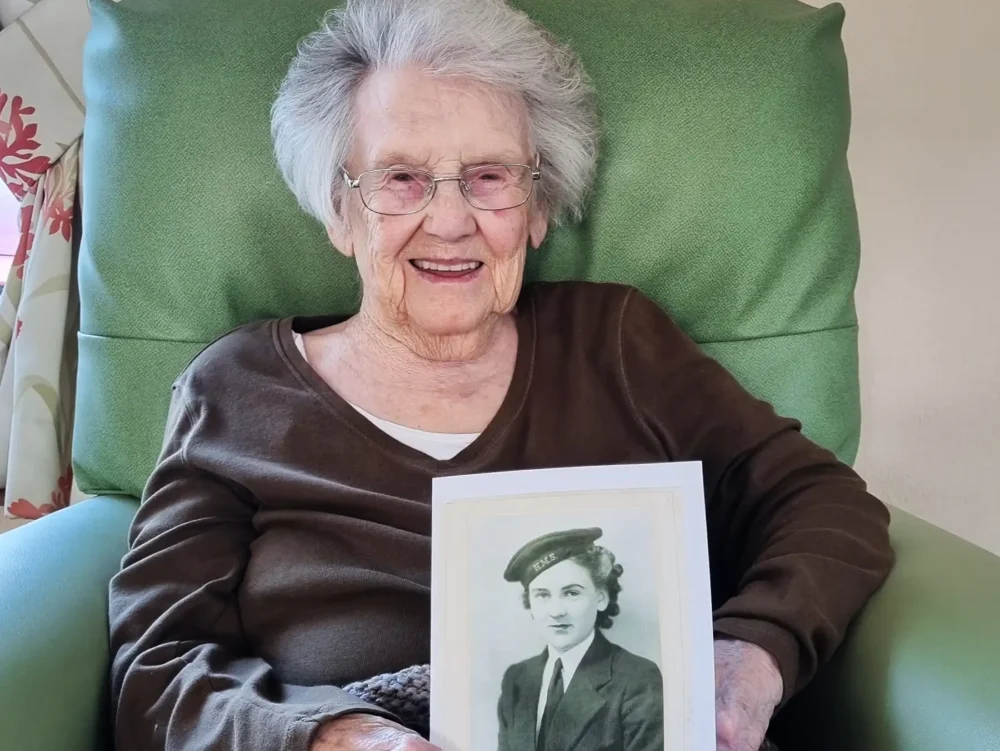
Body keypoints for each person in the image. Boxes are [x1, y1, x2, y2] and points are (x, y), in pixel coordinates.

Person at [107, 0, 895, 750]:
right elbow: (157, 664)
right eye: (401, 179)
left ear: (539, 207)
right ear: (339, 213)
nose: (450, 221)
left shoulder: (616, 343)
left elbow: (823, 503)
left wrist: (751, 654)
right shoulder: (239, 389)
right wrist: (334, 735)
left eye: (489, 176)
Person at [498, 528, 664, 751]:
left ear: (601, 597)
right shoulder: (516, 679)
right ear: (530, 604)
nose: (556, 611)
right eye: (542, 595)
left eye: (571, 593)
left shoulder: (637, 680)